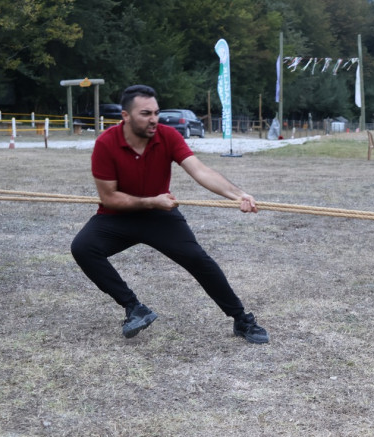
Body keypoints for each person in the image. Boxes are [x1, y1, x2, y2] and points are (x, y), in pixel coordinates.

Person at [70, 84, 269, 343]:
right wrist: (152, 201)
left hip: (160, 216)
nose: (154, 119)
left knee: (199, 260)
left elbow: (200, 170)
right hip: (117, 215)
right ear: (126, 116)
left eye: (156, 112)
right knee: (83, 247)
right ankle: (133, 308)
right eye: (145, 113)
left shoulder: (168, 136)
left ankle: (241, 320)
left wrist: (237, 195)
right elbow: (110, 198)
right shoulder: (106, 144)